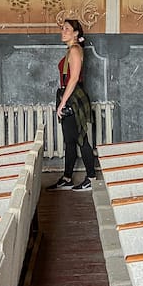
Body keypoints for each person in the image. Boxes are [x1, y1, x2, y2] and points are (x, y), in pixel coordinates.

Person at [48, 18, 97, 191]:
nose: (63, 31)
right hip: (68, 95)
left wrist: (62, 103)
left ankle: (91, 177)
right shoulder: (71, 50)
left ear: (76, 33)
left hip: (74, 97)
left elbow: (74, 78)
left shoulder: (75, 50)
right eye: (62, 29)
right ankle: (67, 178)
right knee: (70, 140)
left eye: (67, 29)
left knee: (81, 139)